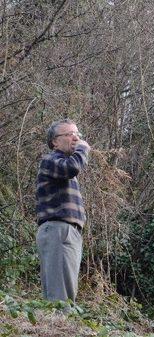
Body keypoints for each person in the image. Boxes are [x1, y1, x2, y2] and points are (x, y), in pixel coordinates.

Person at [36, 119, 91, 306]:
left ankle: (59, 331)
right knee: (60, 299)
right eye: (69, 134)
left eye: (77, 134)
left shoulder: (62, 165)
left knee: (64, 293)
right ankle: (59, 332)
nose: (75, 138)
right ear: (55, 142)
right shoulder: (51, 160)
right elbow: (72, 167)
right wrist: (83, 149)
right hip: (59, 230)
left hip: (66, 232)